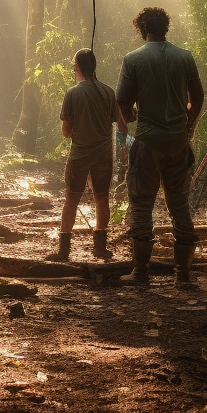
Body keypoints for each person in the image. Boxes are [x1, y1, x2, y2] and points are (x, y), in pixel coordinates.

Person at [115, 7, 204, 286]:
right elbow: (197, 97)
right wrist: (188, 123)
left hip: (147, 141)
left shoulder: (133, 60)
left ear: (142, 29)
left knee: (141, 204)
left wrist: (130, 117)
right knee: (179, 205)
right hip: (177, 141)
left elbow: (123, 104)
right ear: (165, 27)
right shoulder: (184, 57)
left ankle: (141, 273)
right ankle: (183, 275)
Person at [54, 48, 127, 261]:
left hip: (79, 156)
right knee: (102, 198)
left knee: (71, 200)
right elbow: (122, 125)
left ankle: (64, 250)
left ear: (78, 67)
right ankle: (100, 248)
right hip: (103, 155)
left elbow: (66, 132)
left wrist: (78, 130)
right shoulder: (108, 92)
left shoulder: (73, 93)